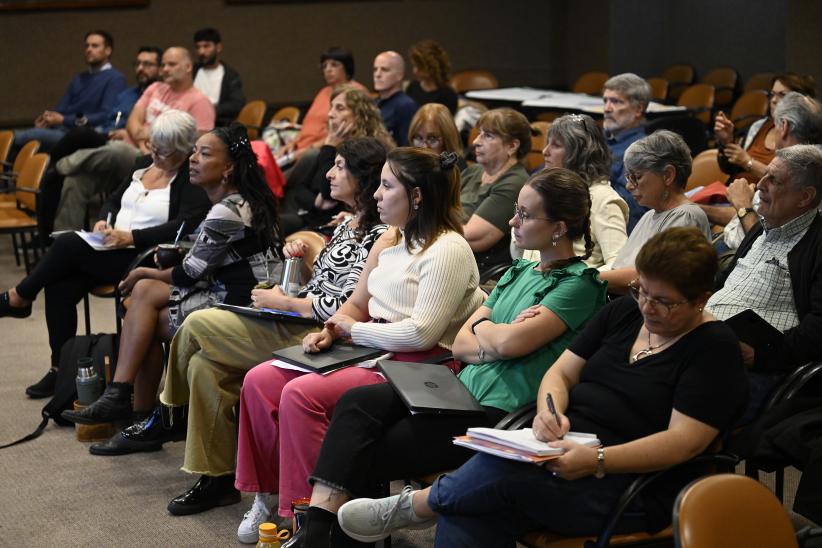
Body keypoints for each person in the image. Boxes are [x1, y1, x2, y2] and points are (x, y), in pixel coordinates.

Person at [336, 227, 748, 547]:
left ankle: (417, 506)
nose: (648, 308)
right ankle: (436, 502)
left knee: (494, 479)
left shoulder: (714, 349)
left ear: (701, 300)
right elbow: (561, 374)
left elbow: (684, 443)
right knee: (474, 507)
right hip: (563, 451)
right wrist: (551, 410)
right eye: (643, 291)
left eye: (665, 302)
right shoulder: (624, 314)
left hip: (631, 482)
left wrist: (598, 460)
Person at [282, 167, 608, 547]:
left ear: (559, 227)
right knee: (356, 403)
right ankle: (320, 533)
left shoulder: (580, 284)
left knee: (368, 447)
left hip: (497, 411)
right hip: (456, 391)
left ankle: (323, 537)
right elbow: (468, 345)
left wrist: (488, 332)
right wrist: (495, 333)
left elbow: (508, 345)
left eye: (524, 214)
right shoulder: (518, 270)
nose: (511, 221)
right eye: (516, 210)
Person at [85, 137, 390, 516]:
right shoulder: (347, 225)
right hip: (289, 316)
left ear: (364, 176)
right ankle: (217, 481)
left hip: (319, 337)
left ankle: (166, 415)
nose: (329, 172)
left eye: (341, 166)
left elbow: (349, 307)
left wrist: (286, 302)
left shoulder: (382, 235)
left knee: (195, 324)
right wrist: (294, 277)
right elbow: (325, 285)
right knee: (203, 367)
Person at [231, 147, 485, 538]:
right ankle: (268, 497)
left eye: (387, 186)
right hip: (374, 348)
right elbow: (357, 302)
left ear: (416, 197)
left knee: (302, 395)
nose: (377, 195)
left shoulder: (448, 249)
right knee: (260, 380)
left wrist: (353, 330)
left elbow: (422, 333)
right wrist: (330, 330)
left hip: (421, 365)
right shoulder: (391, 237)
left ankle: (310, 520)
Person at [60, 123, 284, 426]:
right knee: (145, 295)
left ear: (229, 168)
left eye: (204, 154)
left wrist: (142, 270)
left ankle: (135, 410)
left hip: (244, 301)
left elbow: (192, 272)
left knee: (145, 316)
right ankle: (131, 406)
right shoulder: (236, 200)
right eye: (194, 151)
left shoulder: (226, 210)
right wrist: (147, 275)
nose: (193, 159)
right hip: (227, 285)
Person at [0, 110, 210, 400]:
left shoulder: (191, 179)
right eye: (153, 146)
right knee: (59, 284)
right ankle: (61, 370)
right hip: (111, 249)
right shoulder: (141, 165)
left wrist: (131, 236)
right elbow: (112, 200)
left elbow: (184, 223)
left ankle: (19, 296)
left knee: (66, 245)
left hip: (144, 258)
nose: (156, 155)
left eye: (165, 151)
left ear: (186, 149)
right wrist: (104, 220)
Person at [707, 144, 822, 423]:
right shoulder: (762, 226)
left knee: (659, 397)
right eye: (765, 175)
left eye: (774, 180)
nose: (759, 185)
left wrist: (760, 357)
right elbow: (723, 284)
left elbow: (819, 328)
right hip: (708, 342)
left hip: (761, 368)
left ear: (805, 197)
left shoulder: (817, 245)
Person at [51, 46, 216, 232]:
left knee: (117, 149)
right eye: (163, 64)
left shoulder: (200, 102)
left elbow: (194, 144)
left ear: (188, 67)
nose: (165, 69)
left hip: (157, 159)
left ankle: (59, 165)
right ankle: (65, 236)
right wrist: (145, 139)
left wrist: (147, 142)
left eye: (171, 64)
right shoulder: (156, 88)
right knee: (77, 180)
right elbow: (132, 122)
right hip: (140, 153)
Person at [37, 46, 163, 242]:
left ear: (161, 68)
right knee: (75, 180)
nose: (140, 68)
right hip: (109, 147)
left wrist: (130, 133)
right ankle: (64, 243)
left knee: (92, 139)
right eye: (137, 64)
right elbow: (109, 120)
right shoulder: (126, 95)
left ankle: (59, 166)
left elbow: (149, 130)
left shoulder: (159, 95)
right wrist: (111, 131)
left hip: (138, 154)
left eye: (147, 64)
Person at [705, 91, 822, 249]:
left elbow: (766, 242)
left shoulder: (796, 168)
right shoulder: (804, 161)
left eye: (773, 179)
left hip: (742, 252)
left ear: (785, 127)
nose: (760, 184)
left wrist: (742, 204)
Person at [600, 130, 711, 294]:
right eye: (628, 177)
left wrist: (588, 278)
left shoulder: (686, 216)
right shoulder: (649, 214)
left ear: (667, 175)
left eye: (636, 177)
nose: (629, 186)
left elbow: (651, 278)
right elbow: (620, 269)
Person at [513, 114, 628, 271]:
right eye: (547, 144)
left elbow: (619, 266)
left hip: (569, 291)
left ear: (580, 152)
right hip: (530, 282)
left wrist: (573, 281)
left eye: (556, 145)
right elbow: (520, 256)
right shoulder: (545, 191)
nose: (545, 151)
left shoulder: (603, 199)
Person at [279, 85, 395, 234]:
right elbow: (300, 190)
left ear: (359, 114)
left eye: (339, 108)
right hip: (313, 215)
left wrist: (329, 147)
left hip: (336, 222)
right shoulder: (332, 145)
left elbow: (328, 193)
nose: (330, 114)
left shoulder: (369, 151)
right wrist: (316, 202)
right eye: (331, 107)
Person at [11, 30, 127, 155]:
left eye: (95, 46)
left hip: (80, 136)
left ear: (108, 50)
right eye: (86, 46)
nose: (89, 49)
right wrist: (47, 119)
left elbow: (104, 115)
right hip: (61, 129)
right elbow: (61, 109)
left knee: (21, 137)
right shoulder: (79, 77)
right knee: (22, 142)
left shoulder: (115, 78)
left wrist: (64, 120)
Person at [714, 73, 816, 186]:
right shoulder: (758, 126)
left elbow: (788, 182)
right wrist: (727, 141)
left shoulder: (802, 135)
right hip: (734, 191)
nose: (773, 100)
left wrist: (748, 162)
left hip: (763, 198)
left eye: (782, 95)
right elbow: (729, 168)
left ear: (800, 100)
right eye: (772, 94)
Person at [460, 108, 531, 270]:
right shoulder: (474, 171)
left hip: (478, 271)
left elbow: (472, 237)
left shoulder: (515, 183)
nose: (476, 141)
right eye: (479, 133)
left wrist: (427, 226)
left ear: (512, 146)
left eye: (488, 135)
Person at [277, 47, 368, 164]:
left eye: (334, 65)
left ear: (347, 66)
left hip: (321, 151)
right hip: (300, 149)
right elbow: (307, 125)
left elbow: (347, 133)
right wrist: (291, 144)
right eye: (324, 66)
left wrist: (308, 149)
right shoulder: (324, 92)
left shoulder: (356, 92)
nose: (328, 69)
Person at [602, 73, 653, 232]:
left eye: (616, 101)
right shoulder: (598, 140)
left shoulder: (642, 150)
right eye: (605, 101)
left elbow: (630, 206)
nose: (607, 109)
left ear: (638, 109)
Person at [193, 27, 246, 126]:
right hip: (190, 123)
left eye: (206, 46)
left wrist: (208, 110)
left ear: (218, 47)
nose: (201, 52)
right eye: (198, 47)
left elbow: (237, 104)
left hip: (217, 124)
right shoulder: (191, 71)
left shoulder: (230, 75)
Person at [373, 51, 418, 146]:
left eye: (384, 70)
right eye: (375, 69)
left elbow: (408, 148)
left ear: (400, 75)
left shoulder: (406, 106)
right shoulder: (373, 103)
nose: (377, 74)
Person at [406, 40, 458, 114]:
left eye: (420, 67)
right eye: (414, 65)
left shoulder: (448, 96)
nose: (415, 71)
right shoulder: (413, 87)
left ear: (432, 69)